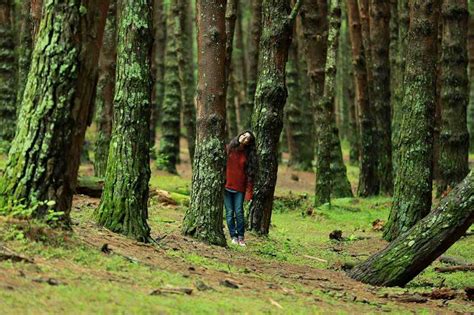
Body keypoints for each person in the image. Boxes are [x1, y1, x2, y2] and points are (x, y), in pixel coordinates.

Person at [224, 130, 257, 247]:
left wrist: (249, 193)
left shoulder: (248, 156)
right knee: (229, 213)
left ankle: (241, 237)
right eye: (243, 135)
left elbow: (250, 176)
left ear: (249, 143)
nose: (244, 138)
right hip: (226, 187)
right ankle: (233, 236)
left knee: (239, 212)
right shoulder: (228, 149)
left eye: (247, 138)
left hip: (239, 189)